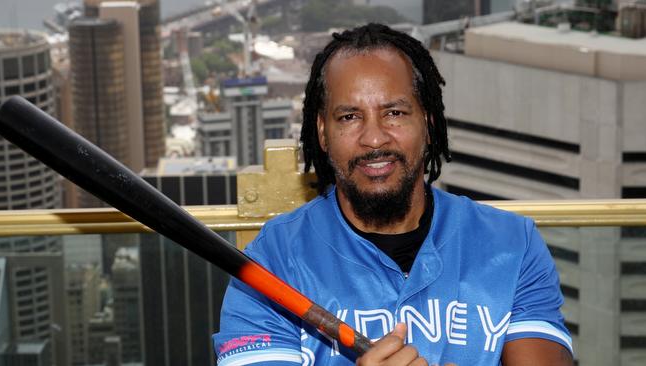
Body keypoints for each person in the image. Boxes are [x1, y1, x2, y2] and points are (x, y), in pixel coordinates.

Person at [213, 23, 573, 366]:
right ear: (322, 133)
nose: (374, 138)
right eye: (350, 117)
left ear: (428, 126)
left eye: (395, 113)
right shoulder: (272, 263)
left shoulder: (512, 246)